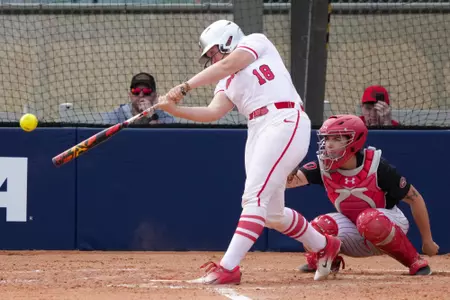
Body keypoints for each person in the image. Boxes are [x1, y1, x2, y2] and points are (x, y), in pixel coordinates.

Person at [157, 19, 341, 284]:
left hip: (284, 118)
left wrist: (185, 87)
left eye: (213, 52)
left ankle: (228, 267)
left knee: (253, 198)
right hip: (257, 128)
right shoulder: (225, 81)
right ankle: (325, 245)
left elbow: (228, 63)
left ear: (229, 40)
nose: (212, 59)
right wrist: (173, 110)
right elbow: (212, 112)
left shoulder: (255, 41)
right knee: (272, 215)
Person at [286, 114, 439, 276]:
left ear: (354, 142)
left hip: (387, 225)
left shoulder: (377, 166)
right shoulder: (322, 166)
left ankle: (414, 261)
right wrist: (285, 167)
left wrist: (427, 240)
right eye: (327, 139)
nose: (329, 145)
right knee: (319, 225)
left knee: (369, 219)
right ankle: (327, 261)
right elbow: (289, 182)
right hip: (353, 231)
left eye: (337, 139)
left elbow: (415, 199)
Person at [107, 72, 175, 125]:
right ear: (130, 95)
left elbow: (164, 140)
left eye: (147, 91)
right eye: (136, 91)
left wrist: (152, 117)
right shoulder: (114, 116)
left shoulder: (166, 118)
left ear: (155, 96)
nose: (141, 95)